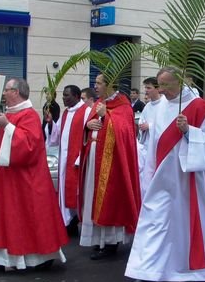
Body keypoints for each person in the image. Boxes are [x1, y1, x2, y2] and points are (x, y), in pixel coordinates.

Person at [123, 67, 205, 282]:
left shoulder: (197, 107)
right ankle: (148, 273)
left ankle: (194, 271)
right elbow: (151, 140)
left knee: (185, 224)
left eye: (167, 85)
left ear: (180, 82)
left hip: (189, 178)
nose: (162, 90)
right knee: (155, 220)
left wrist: (189, 130)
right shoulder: (157, 106)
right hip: (161, 176)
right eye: (160, 85)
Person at [0, 77, 69, 275]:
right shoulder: (9, 115)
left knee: (27, 217)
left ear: (16, 92)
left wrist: (7, 126)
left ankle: (40, 258)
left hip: (26, 179)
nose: (4, 94)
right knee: (2, 217)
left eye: (7, 90)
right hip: (6, 177)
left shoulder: (29, 115)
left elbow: (30, 146)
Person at [80, 74, 142, 260]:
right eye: (95, 83)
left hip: (112, 163)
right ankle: (98, 240)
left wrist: (105, 116)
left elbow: (123, 131)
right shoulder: (100, 102)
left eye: (99, 83)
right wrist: (88, 125)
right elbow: (91, 126)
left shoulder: (122, 105)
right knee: (93, 197)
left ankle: (110, 242)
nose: (95, 86)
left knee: (109, 200)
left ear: (110, 84)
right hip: (93, 157)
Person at [46, 85, 91, 231]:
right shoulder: (65, 113)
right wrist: (51, 124)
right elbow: (56, 136)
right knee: (65, 192)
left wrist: (80, 157)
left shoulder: (86, 111)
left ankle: (80, 220)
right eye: (63, 95)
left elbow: (90, 136)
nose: (64, 98)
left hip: (78, 160)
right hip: (65, 161)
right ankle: (68, 221)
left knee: (79, 192)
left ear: (77, 96)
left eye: (67, 95)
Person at [137, 77, 166, 198]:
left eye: (149, 88)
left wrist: (149, 126)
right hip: (146, 146)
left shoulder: (165, 104)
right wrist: (141, 126)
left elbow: (166, 124)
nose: (146, 91)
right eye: (145, 88)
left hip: (159, 147)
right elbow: (141, 122)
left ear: (158, 88)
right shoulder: (148, 106)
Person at [42, 91, 61, 156]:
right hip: (45, 125)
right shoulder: (46, 104)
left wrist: (50, 124)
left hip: (51, 127)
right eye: (46, 95)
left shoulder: (54, 105)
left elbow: (55, 119)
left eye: (48, 94)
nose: (46, 96)